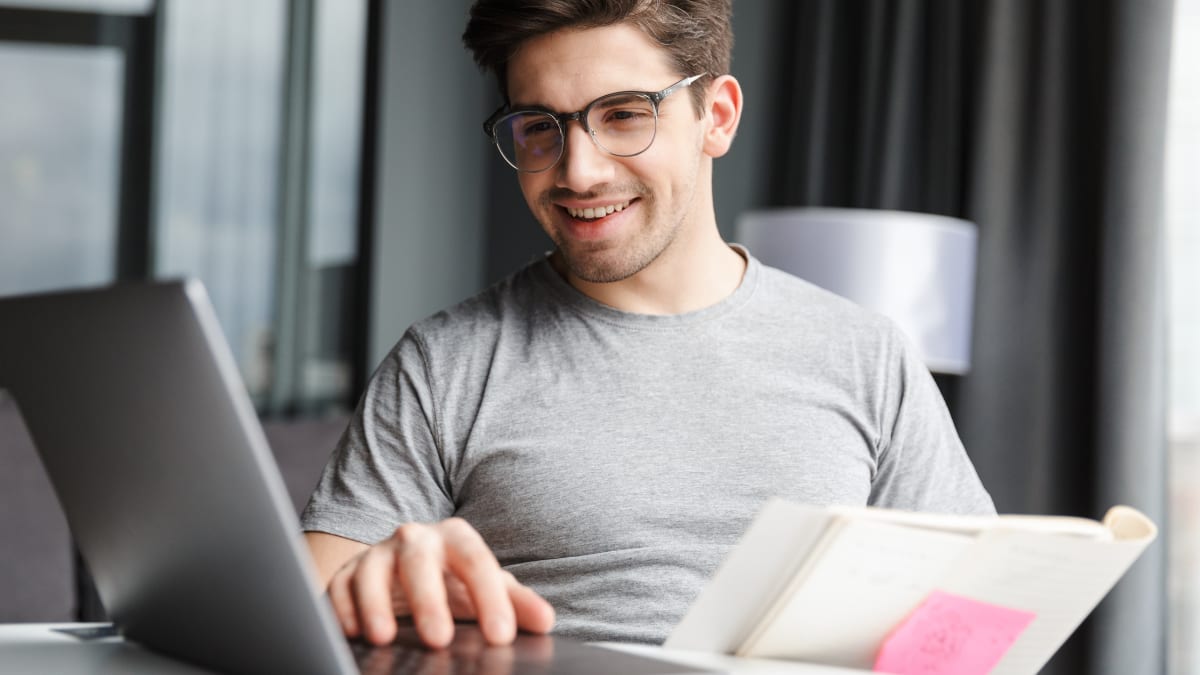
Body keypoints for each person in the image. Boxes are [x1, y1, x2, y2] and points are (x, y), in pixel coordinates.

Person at [301, 0, 995, 653]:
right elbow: (295, 622)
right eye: (541, 127)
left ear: (717, 117)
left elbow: (982, 621)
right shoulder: (444, 363)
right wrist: (371, 585)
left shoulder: (867, 356)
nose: (578, 171)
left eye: (625, 115)